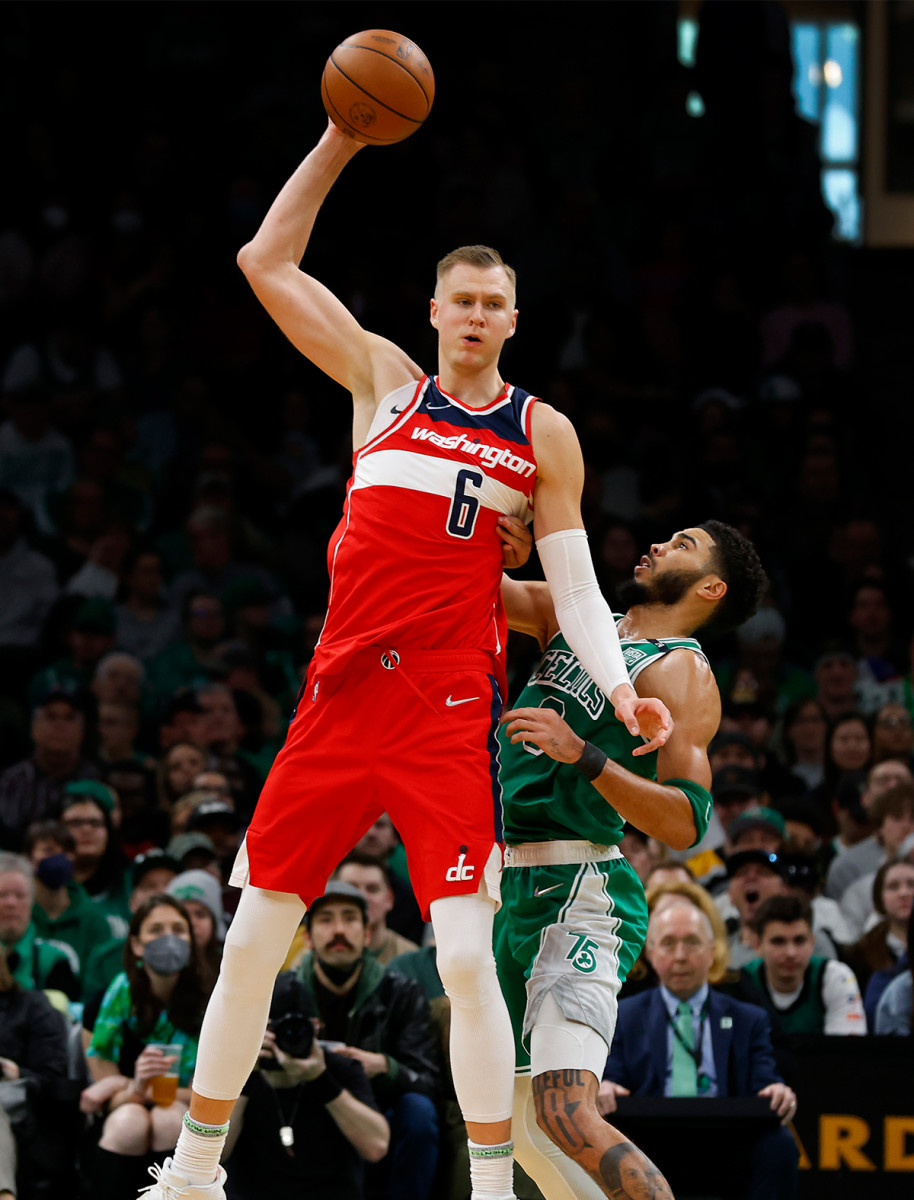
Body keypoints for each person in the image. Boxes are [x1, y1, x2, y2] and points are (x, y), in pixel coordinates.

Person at [147, 117, 673, 1200]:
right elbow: (263, 261)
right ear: (433, 312)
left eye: (494, 304)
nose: (476, 316)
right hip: (337, 703)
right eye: (461, 300)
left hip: (441, 713)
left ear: (513, 321)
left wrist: (620, 689)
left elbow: (571, 583)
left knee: (467, 962)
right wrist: (342, 133)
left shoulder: (542, 431)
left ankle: (489, 1191)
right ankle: (195, 1170)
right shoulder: (381, 384)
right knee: (251, 943)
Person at [494, 521, 765, 1198]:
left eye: (684, 543)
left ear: (710, 586)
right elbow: (483, 592)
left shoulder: (680, 670)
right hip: (508, 884)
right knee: (525, 1127)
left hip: (581, 883)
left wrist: (584, 756)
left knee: (565, 1113)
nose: (658, 544)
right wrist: (497, 545)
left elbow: (684, 821)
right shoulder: (581, 616)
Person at [599, 904, 798, 1200]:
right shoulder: (624, 1016)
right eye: (668, 943)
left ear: (711, 951)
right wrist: (606, 1087)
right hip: (648, 1141)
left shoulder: (748, 1019)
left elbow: (764, 1081)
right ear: (651, 953)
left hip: (725, 1139)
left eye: (691, 942)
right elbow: (612, 1076)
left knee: (779, 1144)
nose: (680, 956)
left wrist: (777, 1090)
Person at [294, 882, 441, 1200]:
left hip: (378, 1110)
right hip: (304, 1105)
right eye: (326, 919)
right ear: (307, 938)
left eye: (350, 918)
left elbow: (429, 1080)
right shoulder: (285, 992)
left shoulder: (401, 992)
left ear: (368, 935)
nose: (339, 930)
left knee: (418, 1110)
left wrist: (384, 1066)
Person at [81, 894, 214, 1199]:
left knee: (169, 1119)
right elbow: (107, 1100)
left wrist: (129, 1086)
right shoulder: (104, 1004)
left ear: (192, 943)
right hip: (120, 1119)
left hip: (191, 1116)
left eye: (179, 930)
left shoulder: (213, 1004)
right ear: (137, 945)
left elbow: (204, 1099)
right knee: (131, 1120)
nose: (169, 939)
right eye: (156, 930)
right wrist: (134, 1087)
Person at [221, 971, 389, 1200]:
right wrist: (247, 1075)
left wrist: (320, 1079)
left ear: (315, 1028)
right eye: (273, 1029)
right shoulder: (236, 1070)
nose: (285, 1038)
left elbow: (377, 1146)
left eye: (296, 1029)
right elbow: (212, 1155)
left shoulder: (340, 1069)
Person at [740, 893, 866, 1035]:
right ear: (757, 944)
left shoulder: (836, 977)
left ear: (812, 942)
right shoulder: (742, 982)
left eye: (799, 941)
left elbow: (848, 1052)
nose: (791, 953)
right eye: (778, 941)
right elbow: (727, 1037)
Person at [333, 851, 420, 965]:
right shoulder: (308, 958)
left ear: (389, 898)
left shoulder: (413, 961)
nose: (362, 897)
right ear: (332, 895)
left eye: (372, 889)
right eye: (351, 888)